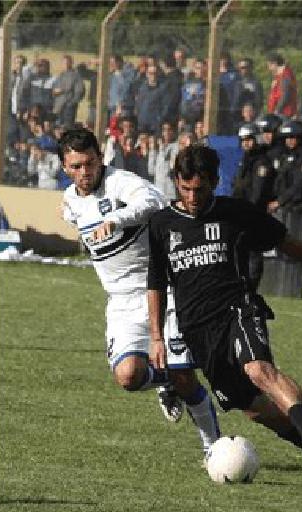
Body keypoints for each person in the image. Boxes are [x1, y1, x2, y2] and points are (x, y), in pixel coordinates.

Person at [146, 144, 302, 478]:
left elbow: (283, 239)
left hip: (237, 309)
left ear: (214, 181)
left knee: (259, 370)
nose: (192, 196)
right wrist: (156, 337)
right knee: (253, 409)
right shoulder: (161, 224)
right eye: (185, 189)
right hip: (197, 330)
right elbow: (155, 281)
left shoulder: (236, 213)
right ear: (176, 182)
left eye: (199, 189)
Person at [57, 128, 222, 464]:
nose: (84, 173)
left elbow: (155, 202)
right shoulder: (69, 203)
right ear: (64, 167)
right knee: (129, 377)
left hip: (162, 290)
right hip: (121, 302)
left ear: (100, 157)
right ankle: (165, 382)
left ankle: (213, 447)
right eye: (75, 167)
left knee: (183, 374)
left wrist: (116, 219)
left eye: (89, 164)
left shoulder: (121, 182)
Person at [231, 123, 277, 292]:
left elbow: (258, 192)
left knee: (254, 252)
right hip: (240, 213)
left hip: (253, 214)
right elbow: (237, 187)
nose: (246, 143)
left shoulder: (261, 162)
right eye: (243, 140)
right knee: (240, 251)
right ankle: (241, 285)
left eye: (249, 139)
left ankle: (251, 288)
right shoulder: (244, 161)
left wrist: (248, 211)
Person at [266, 119, 302, 215]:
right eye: (287, 137)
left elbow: (298, 184)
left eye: (293, 137)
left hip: (296, 207)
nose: (289, 140)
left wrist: (280, 201)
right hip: (281, 203)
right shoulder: (283, 155)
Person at [51, 55, 85, 128]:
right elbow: (53, 90)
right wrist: (54, 92)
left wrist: (71, 104)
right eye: (63, 63)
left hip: (68, 109)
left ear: (71, 63)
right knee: (57, 129)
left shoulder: (76, 76)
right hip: (58, 108)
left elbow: (80, 92)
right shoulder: (60, 76)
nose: (65, 65)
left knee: (67, 130)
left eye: (67, 63)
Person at [266, 53, 298, 118]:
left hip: (284, 113)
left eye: (269, 65)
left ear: (274, 64)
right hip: (278, 112)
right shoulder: (279, 76)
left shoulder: (285, 75)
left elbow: (285, 95)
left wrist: (277, 110)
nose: (269, 69)